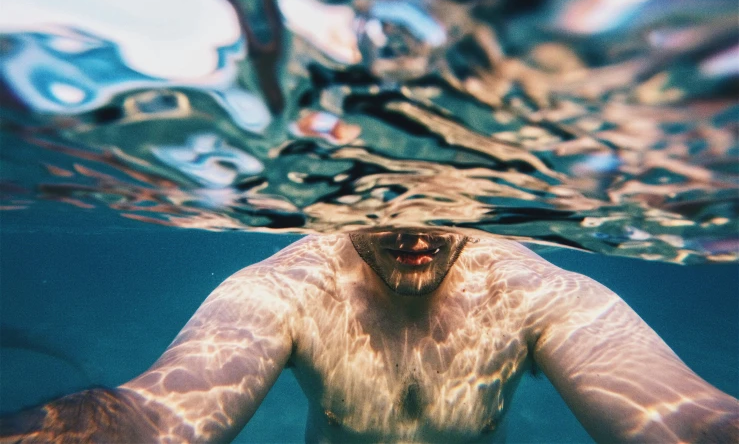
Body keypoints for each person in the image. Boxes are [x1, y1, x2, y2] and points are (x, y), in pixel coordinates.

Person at [1, 230, 737, 443]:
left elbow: (680, 416)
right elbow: (156, 418)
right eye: (381, 205)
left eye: (435, 206)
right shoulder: (287, 286)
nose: (411, 231)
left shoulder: (530, 289)